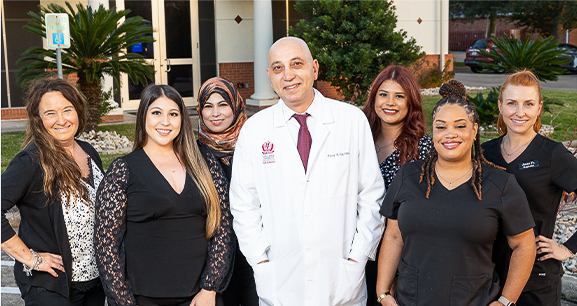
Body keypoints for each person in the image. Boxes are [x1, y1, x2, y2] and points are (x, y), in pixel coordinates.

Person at [229, 36, 385, 305]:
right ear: (269, 76)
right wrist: (261, 261)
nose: (288, 75)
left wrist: (357, 258)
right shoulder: (255, 130)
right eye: (278, 68)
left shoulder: (350, 121)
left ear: (314, 69)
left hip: (341, 281)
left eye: (296, 64)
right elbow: (244, 206)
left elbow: (372, 197)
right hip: (280, 281)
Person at [376, 80, 536, 306]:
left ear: (474, 130)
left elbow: (524, 245)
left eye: (460, 126)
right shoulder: (409, 177)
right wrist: (383, 293)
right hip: (410, 300)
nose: (449, 134)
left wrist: (505, 301)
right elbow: (393, 237)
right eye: (441, 127)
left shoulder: (500, 185)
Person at [94, 84, 235, 306]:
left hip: (200, 298)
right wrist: (124, 301)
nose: (165, 122)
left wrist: (210, 288)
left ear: (182, 119)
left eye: (173, 114)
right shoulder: (123, 170)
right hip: (144, 299)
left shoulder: (205, 162)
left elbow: (223, 227)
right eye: (156, 113)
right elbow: (106, 246)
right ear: (143, 117)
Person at [1, 78, 105, 305]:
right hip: (52, 288)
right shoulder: (30, 161)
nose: (61, 120)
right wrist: (31, 259)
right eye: (50, 113)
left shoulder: (88, 151)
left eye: (67, 110)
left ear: (78, 111)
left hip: (94, 283)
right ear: (38, 119)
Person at [482, 70, 577, 306]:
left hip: (536, 280)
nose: (520, 112)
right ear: (500, 106)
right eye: (512, 103)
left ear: (539, 108)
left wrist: (568, 248)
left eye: (528, 104)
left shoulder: (553, 155)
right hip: (487, 275)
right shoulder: (484, 153)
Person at [362, 66, 432, 305]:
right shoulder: (359, 140)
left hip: (400, 257)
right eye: (383, 94)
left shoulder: (424, 150)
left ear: (411, 102)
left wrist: (398, 273)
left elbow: (425, 216)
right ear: (373, 99)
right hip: (358, 252)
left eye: (399, 96)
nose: (390, 102)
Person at [196, 77, 257, 306]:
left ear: (236, 106)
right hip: (213, 261)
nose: (215, 113)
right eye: (208, 106)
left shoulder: (253, 148)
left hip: (254, 255)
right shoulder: (193, 154)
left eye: (223, 105)